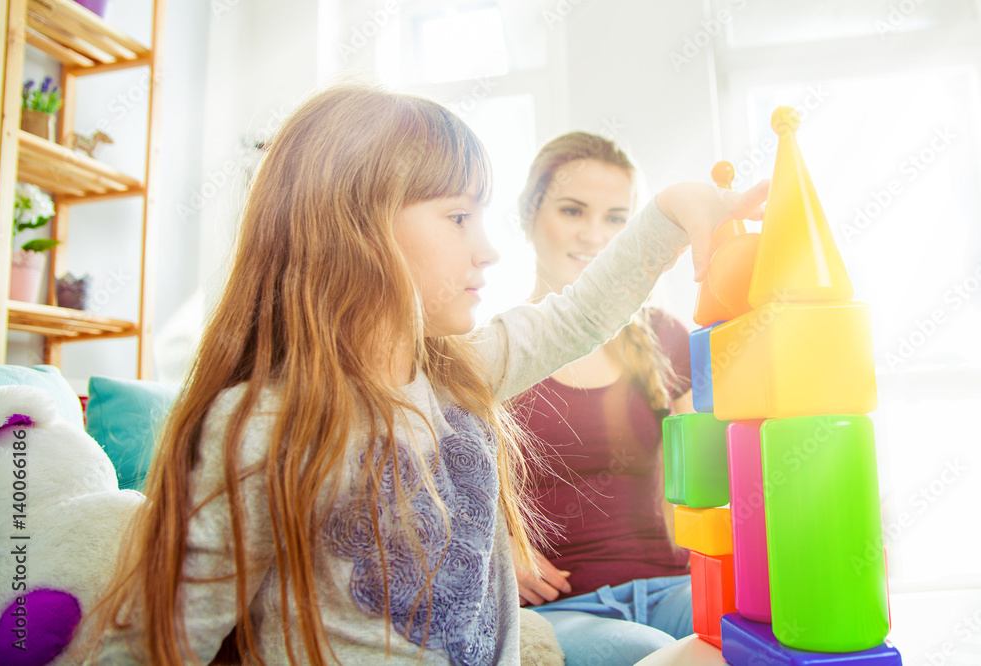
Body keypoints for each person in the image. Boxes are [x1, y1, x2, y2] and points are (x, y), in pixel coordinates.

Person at [82, 85, 767, 665]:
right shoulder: (266, 423)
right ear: (357, 230)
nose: (489, 249)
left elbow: (579, 315)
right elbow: (157, 641)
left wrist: (677, 209)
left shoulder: (459, 375)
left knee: (713, 651)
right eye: (460, 217)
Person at [512, 132, 699, 666]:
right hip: (567, 610)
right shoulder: (494, 354)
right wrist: (498, 555)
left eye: (617, 218)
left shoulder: (666, 338)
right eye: (573, 210)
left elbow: (713, 477)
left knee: (760, 630)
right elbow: (443, 501)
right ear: (529, 216)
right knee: (660, 656)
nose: (595, 236)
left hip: (675, 587)